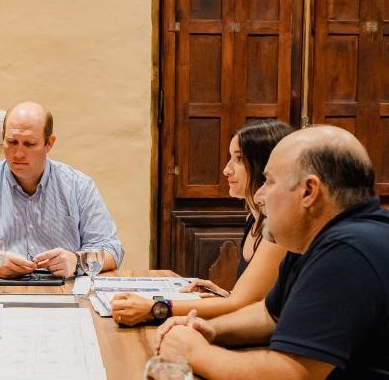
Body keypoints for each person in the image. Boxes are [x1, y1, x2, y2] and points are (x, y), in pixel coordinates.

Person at [157, 125, 389, 380]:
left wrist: (196, 353)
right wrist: (211, 330)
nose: (259, 196)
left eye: (269, 182)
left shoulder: (350, 251)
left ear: (309, 191)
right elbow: (270, 314)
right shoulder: (314, 240)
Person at [111, 120, 293, 326]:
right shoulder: (253, 218)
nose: (226, 170)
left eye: (239, 159)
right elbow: (253, 301)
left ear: (265, 165)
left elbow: (241, 305)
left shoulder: (278, 230)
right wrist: (224, 295)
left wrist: (156, 308)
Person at [0, 101, 123, 278]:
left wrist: (76, 261)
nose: (18, 154)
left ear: (49, 143)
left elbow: (111, 249)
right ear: (3, 137)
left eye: (29, 144)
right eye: (11, 142)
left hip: (63, 292)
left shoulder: (78, 186)